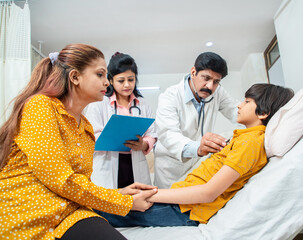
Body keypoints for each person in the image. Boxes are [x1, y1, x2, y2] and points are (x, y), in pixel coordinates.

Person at [0, 44, 157, 240]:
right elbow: (60, 178)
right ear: (75, 77)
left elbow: (80, 182)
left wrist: (120, 193)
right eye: (100, 75)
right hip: (29, 210)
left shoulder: (86, 128)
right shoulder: (40, 107)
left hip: (70, 213)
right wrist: (124, 202)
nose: (106, 82)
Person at [97, 83, 294, 227]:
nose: (239, 105)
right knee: (108, 200)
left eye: (247, 101)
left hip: (187, 209)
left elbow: (209, 193)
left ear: (263, 112)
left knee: (100, 211)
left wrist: (152, 194)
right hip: (182, 202)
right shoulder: (243, 138)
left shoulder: (251, 143)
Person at [154, 52, 239, 189]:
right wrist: (197, 148)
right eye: (206, 78)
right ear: (193, 72)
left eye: (216, 81)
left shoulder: (218, 92)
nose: (210, 86)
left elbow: (236, 112)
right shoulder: (170, 96)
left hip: (198, 162)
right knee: (169, 204)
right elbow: (168, 133)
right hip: (171, 166)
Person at [85, 52, 157, 189]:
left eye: (131, 79)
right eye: (121, 80)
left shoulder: (143, 104)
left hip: (134, 163)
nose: (127, 85)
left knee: (138, 204)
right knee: (111, 206)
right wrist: (114, 139)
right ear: (111, 80)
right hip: (108, 163)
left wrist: (144, 145)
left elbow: (152, 133)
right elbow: (91, 135)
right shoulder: (99, 103)